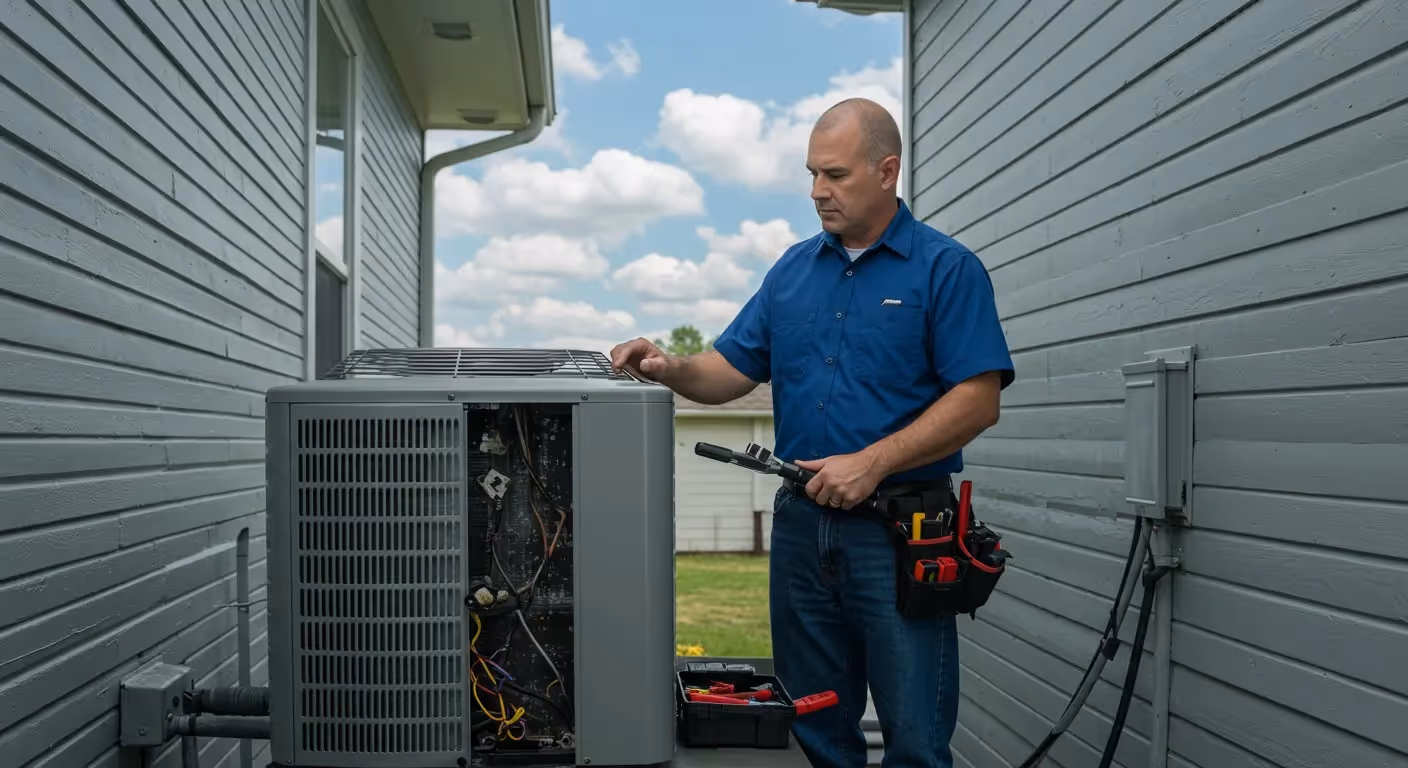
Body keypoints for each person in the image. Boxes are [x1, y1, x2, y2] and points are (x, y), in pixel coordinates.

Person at [610, 97, 1013, 768]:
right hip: (801, 531)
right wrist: (668, 366)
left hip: (898, 531)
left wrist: (872, 463)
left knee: (914, 737)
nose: (817, 191)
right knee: (816, 730)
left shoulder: (946, 269)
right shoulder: (792, 273)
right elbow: (726, 372)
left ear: (887, 171)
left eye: (835, 174)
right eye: (811, 174)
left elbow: (978, 400)